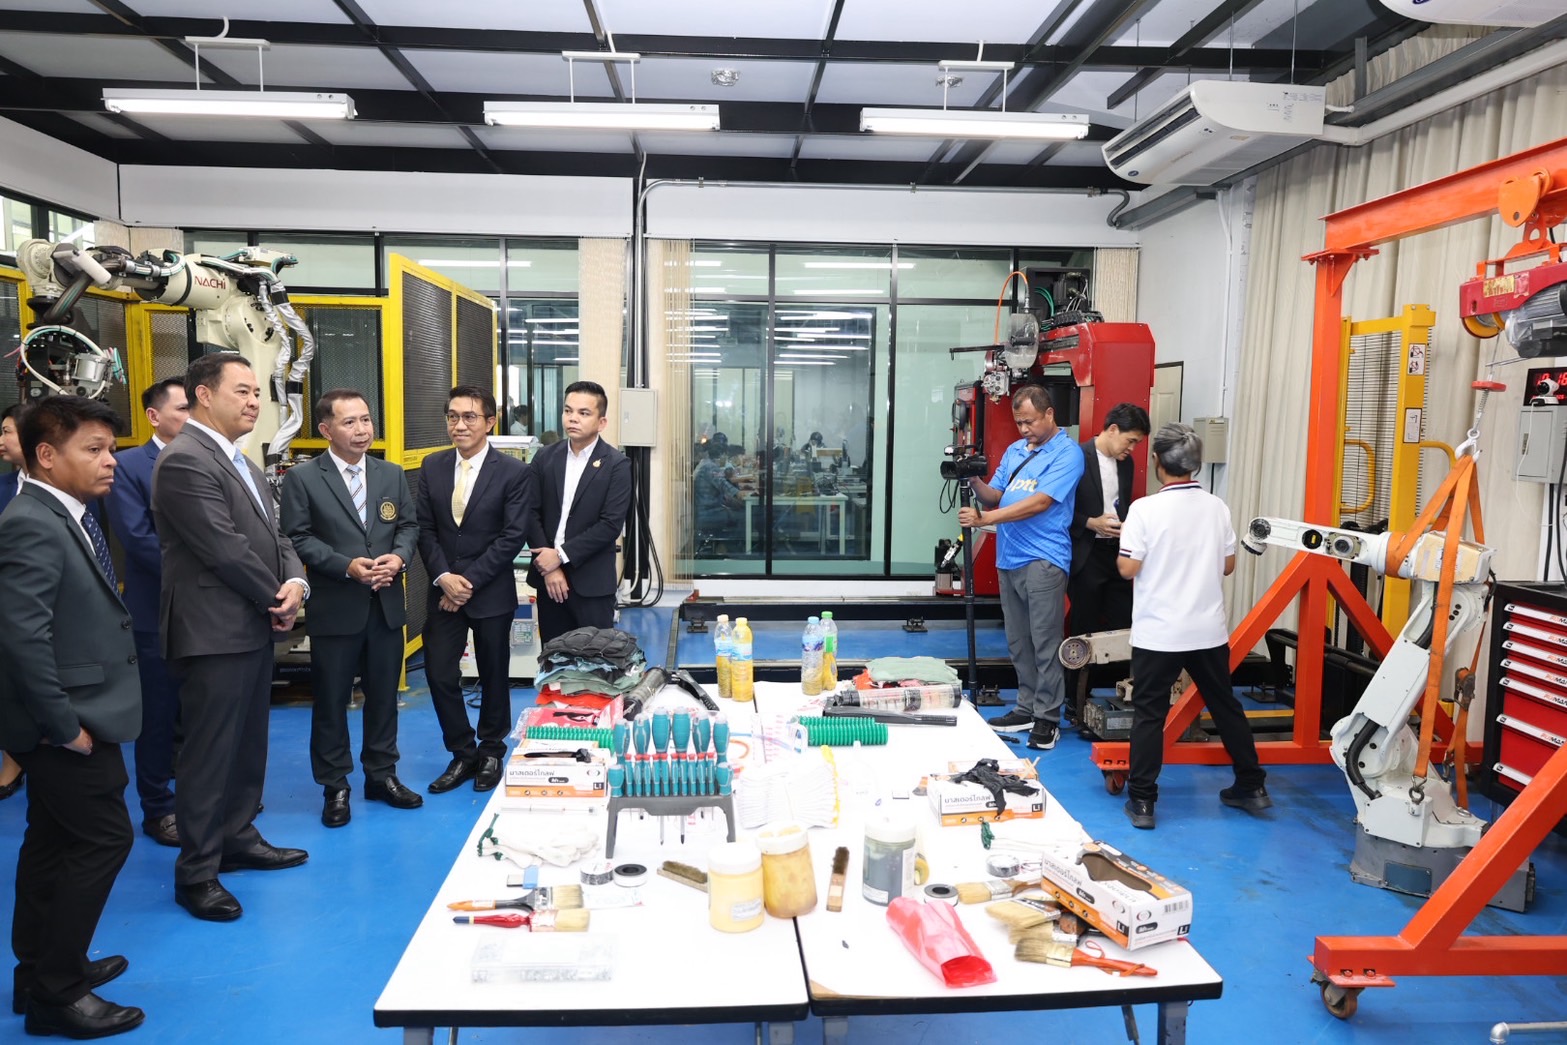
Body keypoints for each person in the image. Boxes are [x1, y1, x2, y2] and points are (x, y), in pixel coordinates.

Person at [0, 395, 145, 1038]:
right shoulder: (32, 522)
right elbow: (21, 637)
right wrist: (63, 727)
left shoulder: (64, 513)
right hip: (66, 722)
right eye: (94, 449)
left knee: (52, 839)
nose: (110, 461)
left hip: (75, 711)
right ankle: (58, 994)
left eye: (110, 448)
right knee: (103, 838)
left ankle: (36, 972)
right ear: (47, 455)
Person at [151, 353, 310, 922]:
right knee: (209, 754)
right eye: (241, 391)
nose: (254, 401)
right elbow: (222, 548)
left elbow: (276, 534)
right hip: (213, 631)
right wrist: (275, 597)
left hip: (250, 624)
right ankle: (197, 872)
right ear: (203, 395)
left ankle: (237, 837)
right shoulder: (185, 460)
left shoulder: (240, 460)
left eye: (257, 392)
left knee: (247, 745)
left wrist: (295, 583)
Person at [1116, 422, 1268, 830]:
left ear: (1157, 461)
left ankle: (1143, 801)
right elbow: (1228, 565)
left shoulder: (1144, 510)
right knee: (1225, 705)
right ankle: (1252, 785)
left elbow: (1128, 568)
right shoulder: (1217, 507)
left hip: (1160, 632)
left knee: (1150, 714)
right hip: (1207, 631)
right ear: (1196, 465)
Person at [281, 390, 421, 828]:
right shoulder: (304, 478)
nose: (362, 430)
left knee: (384, 697)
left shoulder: (390, 474)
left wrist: (399, 558)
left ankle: (381, 775)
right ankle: (335, 785)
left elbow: (407, 526)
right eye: (349, 422)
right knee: (331, 700)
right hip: (337, 607)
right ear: (326, 430)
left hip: (385, 605)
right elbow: (297, 537)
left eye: (365, 420)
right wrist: (346, 566)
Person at [416, 385, 534, 795]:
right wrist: (443, 577)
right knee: (438, 672)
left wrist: (466, 583)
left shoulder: (514, 472)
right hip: (443, 590)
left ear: (490, 422)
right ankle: (462, 752)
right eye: (452, 416)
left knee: (494, 673)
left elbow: (512, 535)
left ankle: (491, 751)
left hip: (489, 591)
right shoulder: (432, 466)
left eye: (469, 417)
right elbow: (425, 529)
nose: (459, 425)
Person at [957, 385, 1083, 752]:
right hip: (1009, 559)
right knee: (1019, 643)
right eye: (1019, 423)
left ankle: (1048, 717)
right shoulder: (1015, 451)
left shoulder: (1067, 453)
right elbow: (996, 495)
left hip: (1043, 559)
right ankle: (1026, 708)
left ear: (1049, 414)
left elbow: (1040, 502)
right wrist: (974, 480)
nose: (1024, 429)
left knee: (1045, 642)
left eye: (1029, 422)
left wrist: (986, 519)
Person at [104, 378, 190, 848]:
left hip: (208, 612)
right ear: (154, 416)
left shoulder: (209, 459)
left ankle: (203, 794)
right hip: (157, 610)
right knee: (157, 714)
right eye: (182, 409)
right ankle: (158, 807)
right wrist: (211, 571)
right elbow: (138, 540)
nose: (191, 417)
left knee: (202, 711)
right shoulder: (129, 466)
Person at [526, 380, 633, 644]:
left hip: (592, 584)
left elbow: (610, 525)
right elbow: (529, 512)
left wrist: (560, 556)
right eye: (568, 411)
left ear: (601, 422)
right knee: (554, 658)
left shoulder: (617, 465)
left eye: (584, 413)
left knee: (594, 660)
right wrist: (549, 568)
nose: (573, 418)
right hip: (548, 581)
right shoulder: (545, 458)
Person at [1065, 402, 1150, 716]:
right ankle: (1075, 699)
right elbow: (1057, 508)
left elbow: (1123, 503)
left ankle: (1125, 695)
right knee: (1083, 628)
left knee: (1124, 623)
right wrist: (1090, 522)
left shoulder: (1125, 464)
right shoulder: (1076, 457)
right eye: (1130, 441)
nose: (1132, 449)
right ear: (1112, 429)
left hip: (1117, 554)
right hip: (1086, 553)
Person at [0, 403, 29, 802]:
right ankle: (13, 757)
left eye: (8, 431)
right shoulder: (4, 488)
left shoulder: (72, 487)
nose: (2, 439)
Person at [693, 441, 743, 545]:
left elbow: (719, 489)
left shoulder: (706, 464)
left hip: (705, 510)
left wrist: (733, 500)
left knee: (736, 511)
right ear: (722, 455)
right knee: (742, 517)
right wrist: (738, 494)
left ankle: (722, 545)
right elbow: (722, 484)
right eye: (726, 456)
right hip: (709, 513)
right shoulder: (711, 467)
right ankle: (730, 547)